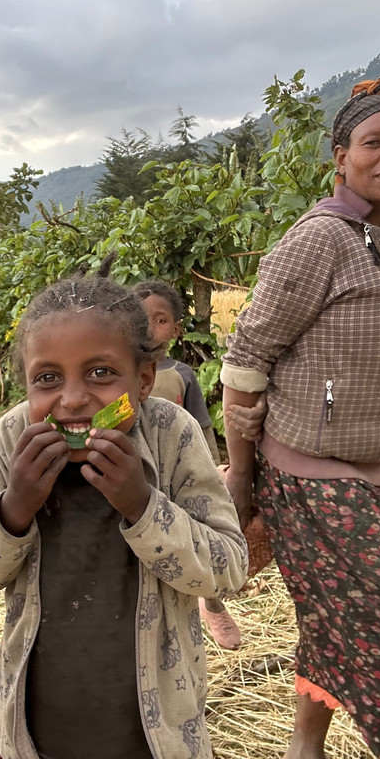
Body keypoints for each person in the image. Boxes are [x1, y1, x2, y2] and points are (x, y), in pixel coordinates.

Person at [220, 72, 380, 759]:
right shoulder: (321, 241)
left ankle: (304, 750)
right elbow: (246, 363)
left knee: (332, 626)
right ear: (340, 156)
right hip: (311, 480)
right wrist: (242, 480)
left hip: (369, 475)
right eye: (374, 142)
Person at [0, 272, 248, 759]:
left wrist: (142, 505)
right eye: (48, 379)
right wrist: (15, 507)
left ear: (145, 380)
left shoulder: (171, 434)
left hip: (154, 735)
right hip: (42, 729)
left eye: (100, 374)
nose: (72, 399)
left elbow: (227, 571)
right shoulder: (12, 437)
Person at [134, 279, 243, 651]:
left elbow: (202, 426)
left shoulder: (183, 375)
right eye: (142, 319)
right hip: (138, 475)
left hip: (180, 471)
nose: (150, 328)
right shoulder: (120, 369)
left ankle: (211, 605)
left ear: (177, 329)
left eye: (160, 320)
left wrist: (213, 470)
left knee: (192, 539)